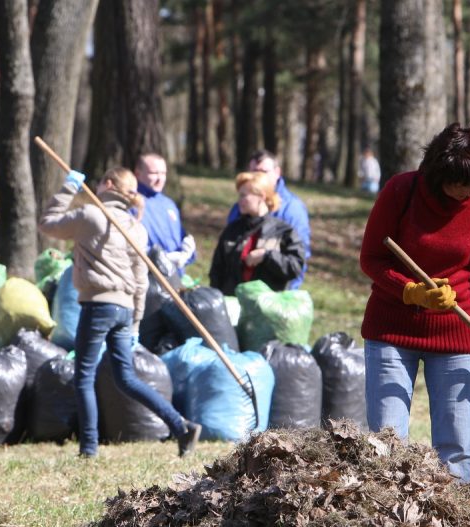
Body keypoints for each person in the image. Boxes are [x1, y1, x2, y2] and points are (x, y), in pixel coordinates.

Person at [358, 123, 470, 484]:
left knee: (456, 447)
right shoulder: (401, 192)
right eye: (459, 184)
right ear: (437, 174)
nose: (466, 192)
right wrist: (412, 292)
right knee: (386, 444)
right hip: (392, 330)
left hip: (456, 333)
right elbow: (371, 258)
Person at [39, 166, 202, 458]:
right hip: (124, 309)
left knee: (84, 375)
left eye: (100, 181)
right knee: (125, 378)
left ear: (108, 184)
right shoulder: (136, 228)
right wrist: (136, 323)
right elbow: (141, 282)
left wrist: (69, 188)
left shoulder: (91, 215)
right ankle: (181, 425)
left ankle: (89, 448)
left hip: (98, 304)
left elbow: (48, 224)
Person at [210, 171, 307, 296]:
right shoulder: (232, 230)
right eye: (239, 196)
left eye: (244, 195)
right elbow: (217, 271)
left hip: (267, 309)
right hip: (232, 307)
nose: (240, 200)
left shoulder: (284, 232)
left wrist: (267, 256)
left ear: (261, 196)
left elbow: (295, 268)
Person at [226, 150, 311, 288]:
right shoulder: (240, 206)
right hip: (239, 288)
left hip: (275, 292)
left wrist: (288, 292)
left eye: (264, 171)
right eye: (253, 171)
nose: (258, 176)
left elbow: (299, 256)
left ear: (277, 172)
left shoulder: (292, 209)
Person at [134, 153, 196, 275]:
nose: (160, 179)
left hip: (175, 277)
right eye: (154, 173)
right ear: (138, 174)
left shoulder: (169, 204)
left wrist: (188, 251)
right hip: (149, 277)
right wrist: (162, 258)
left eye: (163, 173)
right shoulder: (133, 204)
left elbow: (180, 238)